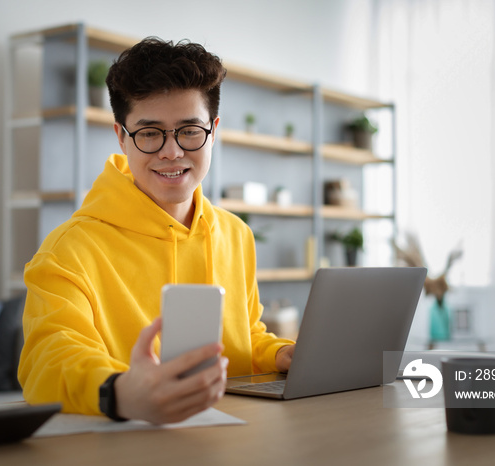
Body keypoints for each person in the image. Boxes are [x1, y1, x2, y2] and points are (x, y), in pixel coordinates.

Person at [18, 37, 296, 425]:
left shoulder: (235, 234)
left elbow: (246, 335)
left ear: (213, 130)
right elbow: (48, 357)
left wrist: (280, 353)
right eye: (149, 133)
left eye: (189, 131)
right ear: (121, 136)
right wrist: (119, 390)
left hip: (234, 439)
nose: (171, 151)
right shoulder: (70, 248)